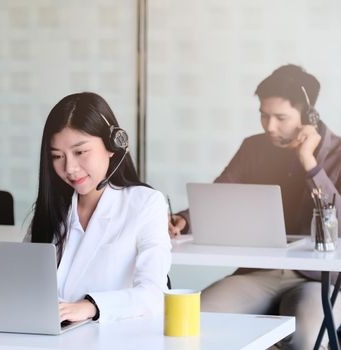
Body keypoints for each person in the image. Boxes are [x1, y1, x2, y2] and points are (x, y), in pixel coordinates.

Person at [170, 64, 341, 349]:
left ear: (309, 116)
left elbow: (337, 222)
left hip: (319, 281)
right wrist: (185, 220)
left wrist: (309, 162)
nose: (269, 126)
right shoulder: (254, 148)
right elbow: (219, 196)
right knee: (194, 321)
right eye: (264, 115)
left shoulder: (338, 154)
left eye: (280, 118)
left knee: (310, 337)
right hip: (259, 273)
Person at [26, 92, 171, 323]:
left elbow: (155, 295)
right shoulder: (51, 209)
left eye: (80, 152)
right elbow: (24, 283)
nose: (70, 167)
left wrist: (91, 306)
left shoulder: (145, 204)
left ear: (113, 145)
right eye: (57, 156)